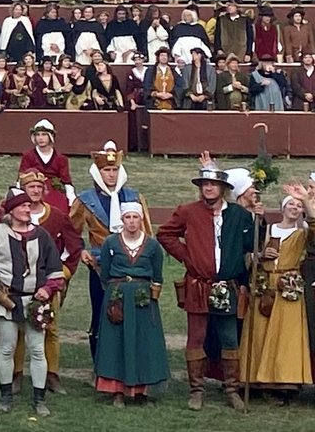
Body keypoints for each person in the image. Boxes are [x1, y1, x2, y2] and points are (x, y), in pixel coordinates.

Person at [156, 164, 258, 410]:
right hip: (198, 285)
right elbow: (165, 234)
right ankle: (196, 390)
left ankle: (232, 388)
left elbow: (250, 246)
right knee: (196, 337)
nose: (208, 188)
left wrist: (257, 220)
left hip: (229, 286)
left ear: (223, 188)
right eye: (205, 184)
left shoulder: (240, 215)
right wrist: (187, 256)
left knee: (229, 337)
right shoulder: (188, 212)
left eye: (213, 184)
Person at [0, 189, 68, 416]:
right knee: (7, 348)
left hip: (36, 301)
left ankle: (39, 399)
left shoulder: (42, 236)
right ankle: (5, 396)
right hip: (7, 300)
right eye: (23, 206)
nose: (27, 209)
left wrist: (46, 289)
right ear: (12, 210)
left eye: (28, 206)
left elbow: (55, 272)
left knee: (37, 349)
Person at [71, 142, 146, 360]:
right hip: (99, 266)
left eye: (114, 170)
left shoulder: (133, 197)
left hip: (131, 266)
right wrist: (81, 250)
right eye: (106, 170)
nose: (111, 175)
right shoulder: (85, 201)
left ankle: (129, 361)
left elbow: (147, 233)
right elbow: (70, 232)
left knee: (131, 312)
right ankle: (100, 364)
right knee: (101, 313)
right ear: (98, 172)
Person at [242, 185, 315, 403]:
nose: (294, 208)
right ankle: (258, 378)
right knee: (261, 331)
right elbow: (250, 255)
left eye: (298, 205)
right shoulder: (268, 229)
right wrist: (261, 254)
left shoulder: (302, 233)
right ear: (283, 208)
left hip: (288, 284)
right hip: (266, 283)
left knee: (286, 335)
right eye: (291, 204)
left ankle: (285, 380)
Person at [90, 200, 167, 406]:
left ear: (141, 220)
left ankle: (142, 390)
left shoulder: (152, 245)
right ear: (122, 220)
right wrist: (116, 292)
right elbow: (104, 272)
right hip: (118, 297)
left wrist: (150, 293)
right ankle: (117, 391)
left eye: (135, 217)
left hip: (143, 300)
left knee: (143, 342)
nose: (132, 222)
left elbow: (158, 274)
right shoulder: (111, 243)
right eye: (128, 218)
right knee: (116, 342)